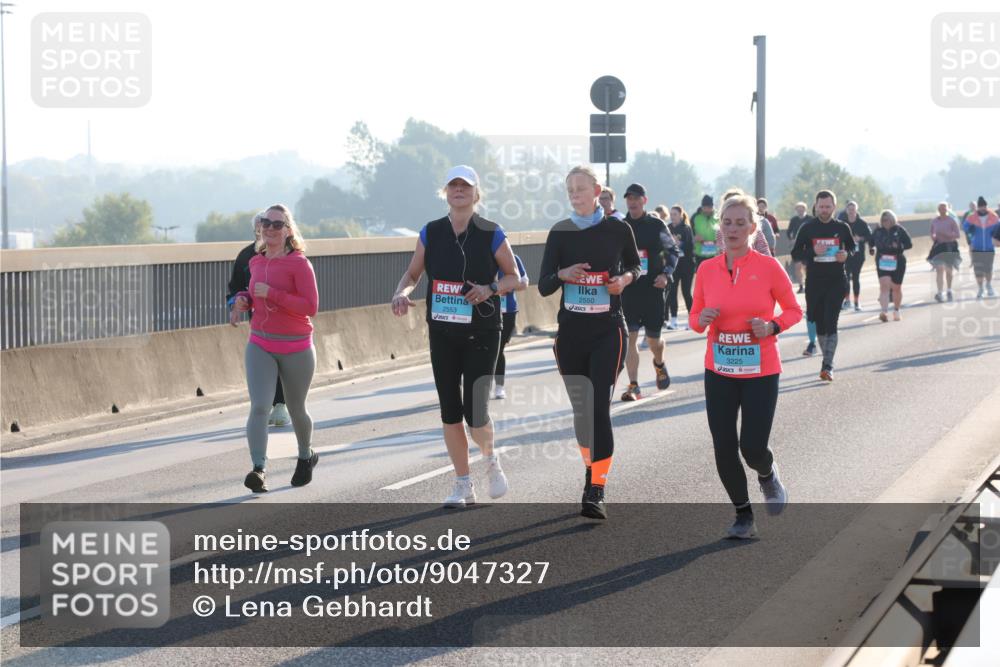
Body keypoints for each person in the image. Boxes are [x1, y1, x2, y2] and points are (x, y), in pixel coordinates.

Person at [391, 165, 520, 507]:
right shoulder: (431, 232)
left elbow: (516, 278)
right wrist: (402, 292)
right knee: (449, 409)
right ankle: (463, 484)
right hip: (443, 330)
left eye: (465, 186)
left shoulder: (491, 232)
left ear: (477, 194)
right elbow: (413, 272)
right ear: (445, 192)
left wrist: (489, 288)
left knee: (474, 411)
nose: (458, 190)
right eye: (453, 185)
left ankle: (490, 460)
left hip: (482, 330)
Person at [689, 192, 802, 539]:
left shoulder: (769, 268)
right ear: (719, 229)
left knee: (751, 447)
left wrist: (772, 327)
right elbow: (694, 318)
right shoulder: (706, 269)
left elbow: (794, 310)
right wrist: (702, 319)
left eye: (741, 223)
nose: (733, 229)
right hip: (720, 369)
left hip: (761, 370)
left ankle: (767, 474)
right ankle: (743, 515)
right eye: (727, 223)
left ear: (753, 228)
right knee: (723, 445)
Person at [539, 165, 641, 520]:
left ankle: (596, 487)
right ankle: (590, 469)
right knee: (583, 413)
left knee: (598, 408)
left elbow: (635, 266)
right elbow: (544, 284)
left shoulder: (617, 228)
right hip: (570, 334)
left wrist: (624, 280)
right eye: (570, 189)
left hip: (607, 330)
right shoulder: (560, 232)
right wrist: (563, 274)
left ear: (597, 190)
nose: (575, 194)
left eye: (581, 188)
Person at [230, 204, 319, 492]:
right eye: (266, 223)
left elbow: (310, 307)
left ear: (289, 230)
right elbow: (252, 293)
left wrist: (274, 295)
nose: (270, 228)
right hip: (260, 342)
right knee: (259, 407)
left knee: (296, 408)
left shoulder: (300, 264)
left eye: (277, 224)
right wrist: (243, 300)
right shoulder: (256, 261)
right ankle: (259, 468)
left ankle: (305, 455)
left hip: (296, 346)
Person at [227, 211, 290, 427]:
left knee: (283, 364)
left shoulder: (290, 255)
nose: (266, 230)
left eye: (274, 225)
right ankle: (269, 406)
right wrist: (236, 304)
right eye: (263, 225)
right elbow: (236, 289)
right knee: (265, 365)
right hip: (259, 322)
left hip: (288, 320)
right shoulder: (246, 256)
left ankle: (283, 404)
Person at [620, 185, 680, 401]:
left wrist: (666, 274)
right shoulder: (621, 226)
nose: (632, 202)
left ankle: (659, 363)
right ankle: (634, 385)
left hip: (653, 289)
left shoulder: (656, 225)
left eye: (636, 198)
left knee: (654, 340)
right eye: (629, 198)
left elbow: (673, 251)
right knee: (630, 338)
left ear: (644, 200)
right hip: (629, 290)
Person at [791, 190, 857, 381]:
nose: (824, 210)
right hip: (814, 282)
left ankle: (828, 365)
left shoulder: (842, 227)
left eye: (828, 207)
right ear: (816, 206)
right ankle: (826, 361)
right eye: (821, 206)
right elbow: (795, 253)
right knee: (818, 322)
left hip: (836, 281)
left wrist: (846, 254)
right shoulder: (807, 227)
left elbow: (852, 248)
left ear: (834, 207)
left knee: (831, 321)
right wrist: (812, 251)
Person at [494, 254, 530, 399]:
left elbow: (525, 282)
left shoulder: (513, 258)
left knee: (499, 347)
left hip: (507, 310)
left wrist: (509, 285)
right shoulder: (481, 255)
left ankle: (499, 386)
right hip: (485, 310)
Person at [870, 210, 913, 322]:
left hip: (898, 260)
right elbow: (871, 242)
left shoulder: (900, 230)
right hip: (882, 260)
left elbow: (909, 244)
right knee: (884, 285)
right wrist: (872, 248)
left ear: (892, 219)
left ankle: (896, 310)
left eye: (888, 219)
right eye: (883, 220)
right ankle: (884, 312)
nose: (885, 222)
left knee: (896, 288)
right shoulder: (878, 231)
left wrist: (899, 245)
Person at [838, 201, 873, 312]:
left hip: (858, 255)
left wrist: (860, 239)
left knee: (856, 277)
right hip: (846, 254)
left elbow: (870, 237)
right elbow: (836, 236)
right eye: (849, 209)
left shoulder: (862, 223)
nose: (851, 211)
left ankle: (857, 302)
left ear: (856, 210)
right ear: (846, 211)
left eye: (853, 209)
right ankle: (847, 300)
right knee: (845, 277)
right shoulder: (842, 223)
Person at [664, 204, 695, 330]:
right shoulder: (668, 228)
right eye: (671, 215)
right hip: (674, 264)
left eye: (675, 214)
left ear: (681, 215)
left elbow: (690, 246)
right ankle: (674, 320)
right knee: (672, 291)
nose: (672, 217)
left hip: (687, 265)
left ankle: (691, 320)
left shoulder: (686, 228)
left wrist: (678, 244)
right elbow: (664, 245)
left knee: (686, 292)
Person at [962, 196, 999, 299]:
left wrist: (996, 239)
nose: (983, 208)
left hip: (989, 247)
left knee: (988, 269)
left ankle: (988, 285)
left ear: (987, 206)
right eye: (981, 206)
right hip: (976, 247)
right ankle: (980, 288)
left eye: (984, 206)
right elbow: (964, 227)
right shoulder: (972, 217)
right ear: (978, 207)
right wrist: (970, 230)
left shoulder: (994, 216)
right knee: (978, 270)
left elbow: (999, 229)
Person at [928, 202, 962, 302]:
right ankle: (939, 292)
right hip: (939, 246)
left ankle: (949, 290)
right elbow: (931, 232)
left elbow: (958, 235)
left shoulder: (952, 220)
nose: (942, 210)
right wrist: (933, 237)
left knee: (949, 270)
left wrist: (947, 235)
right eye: (940, 208)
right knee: (939, 269)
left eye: (944, 208)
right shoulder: (934, 221)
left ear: (947, 209)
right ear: (938, 210)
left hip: (949, 246)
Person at [787, 202, 810, 294]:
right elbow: (789, 232)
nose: (800, 211)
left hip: (808, 246)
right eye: (798, 209)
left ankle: (808, 284)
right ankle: (801, 286)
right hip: (797, 246)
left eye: (802, 209)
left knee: (806, 267)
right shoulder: (794, 220)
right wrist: (791, 239)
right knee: (797, 267)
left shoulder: (810, 219)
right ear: (796, 210)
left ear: (805, 209)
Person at [692, 195, 720, 267]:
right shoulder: (695, 217)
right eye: (704, 207)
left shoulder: (718, 217)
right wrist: (694, 238)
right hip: (699, 255)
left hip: (715, 254)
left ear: (713, 207)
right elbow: (688, 235)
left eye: (709, 208)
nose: (707, 210)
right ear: (701, 207)